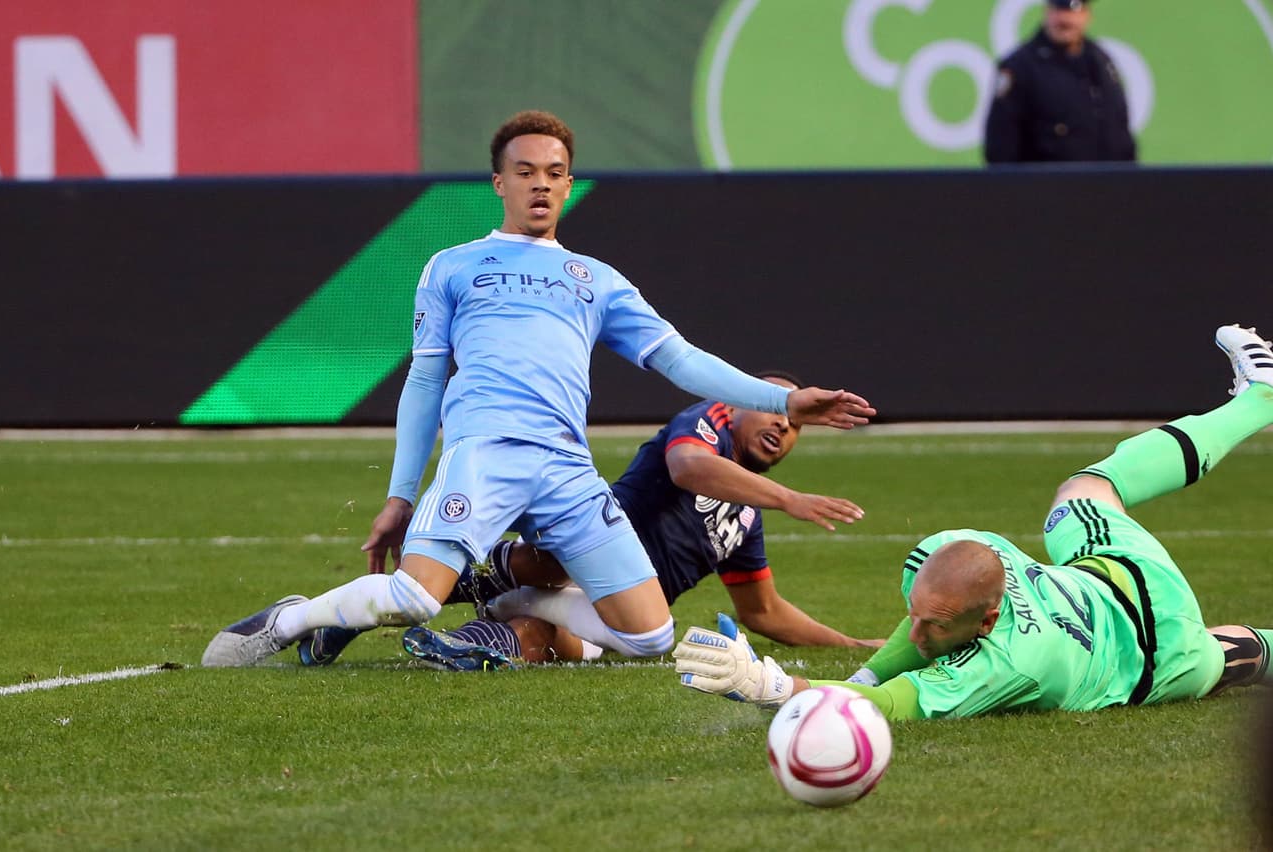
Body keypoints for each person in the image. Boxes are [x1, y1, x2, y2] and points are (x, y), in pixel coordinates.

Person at [201, 110, 876, 668]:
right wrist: (400, 496)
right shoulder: (453, 266)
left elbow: (681, 360)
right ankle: (294, 618)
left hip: (566, 468)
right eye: (526, 172)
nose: (541, 185)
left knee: (650, 637)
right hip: (486, 453)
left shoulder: (597, 279)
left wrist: (781, 400)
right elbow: (427, 378)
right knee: (413, 597)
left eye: (554, 174)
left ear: (570, 184)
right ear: (499, 183)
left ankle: (511, 607)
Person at [673, 324, 1273, 719]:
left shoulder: (1007, 664)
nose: (917, 635)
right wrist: (865, 667)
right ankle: (1258, 400)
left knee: (1230, 658)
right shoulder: (958, 553)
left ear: (989, 617)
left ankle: (1260, 399)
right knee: (1088, 491)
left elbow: (882, 707)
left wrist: (768, 688)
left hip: (1158, 659)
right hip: (1123, 573)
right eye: (916, 615)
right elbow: (913, 638)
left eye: (933, 627)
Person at [299, 372, 881, 670]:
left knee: (557, 641)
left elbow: (764, 612)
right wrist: (789, 499)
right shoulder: (705, 424)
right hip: (571, 557)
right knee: (544, 566)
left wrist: (853, 642)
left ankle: (460, 645)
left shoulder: (744, 520)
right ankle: (360, 614)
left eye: (798, 427)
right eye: (779, 410)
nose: (786, 429)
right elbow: (686, 469)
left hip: (618, 613)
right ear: (739, 402)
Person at [983, 0, 1136, 164]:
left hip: (1102, 184)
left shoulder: (1101, 61)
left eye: (1073, 12)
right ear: (1046, 12)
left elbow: (1118, 127)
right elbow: (1001, 141)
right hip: (1045, 184)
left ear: (1087, 16)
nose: (1065, 20)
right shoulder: (1020, 66)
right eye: (1058, 10)